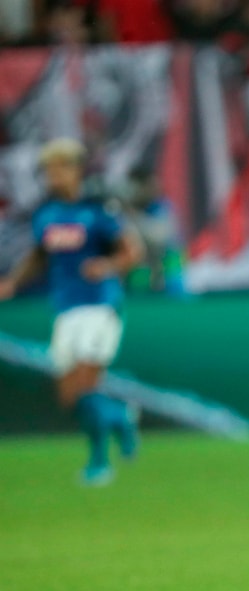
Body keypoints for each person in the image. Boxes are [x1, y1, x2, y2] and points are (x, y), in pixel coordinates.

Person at [0, 138, 143, 486]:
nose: (54, 175)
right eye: (49, 169)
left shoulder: (98, 210)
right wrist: (13, 282)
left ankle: (99, 462)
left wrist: (107, 266)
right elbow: (39, 257)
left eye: (60, 167)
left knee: (85, 385)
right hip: (65, 307)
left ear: (77, 169)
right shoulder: (46, 214)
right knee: (68, 395)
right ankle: (119, 415)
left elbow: (132, 252)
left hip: (99, 305)